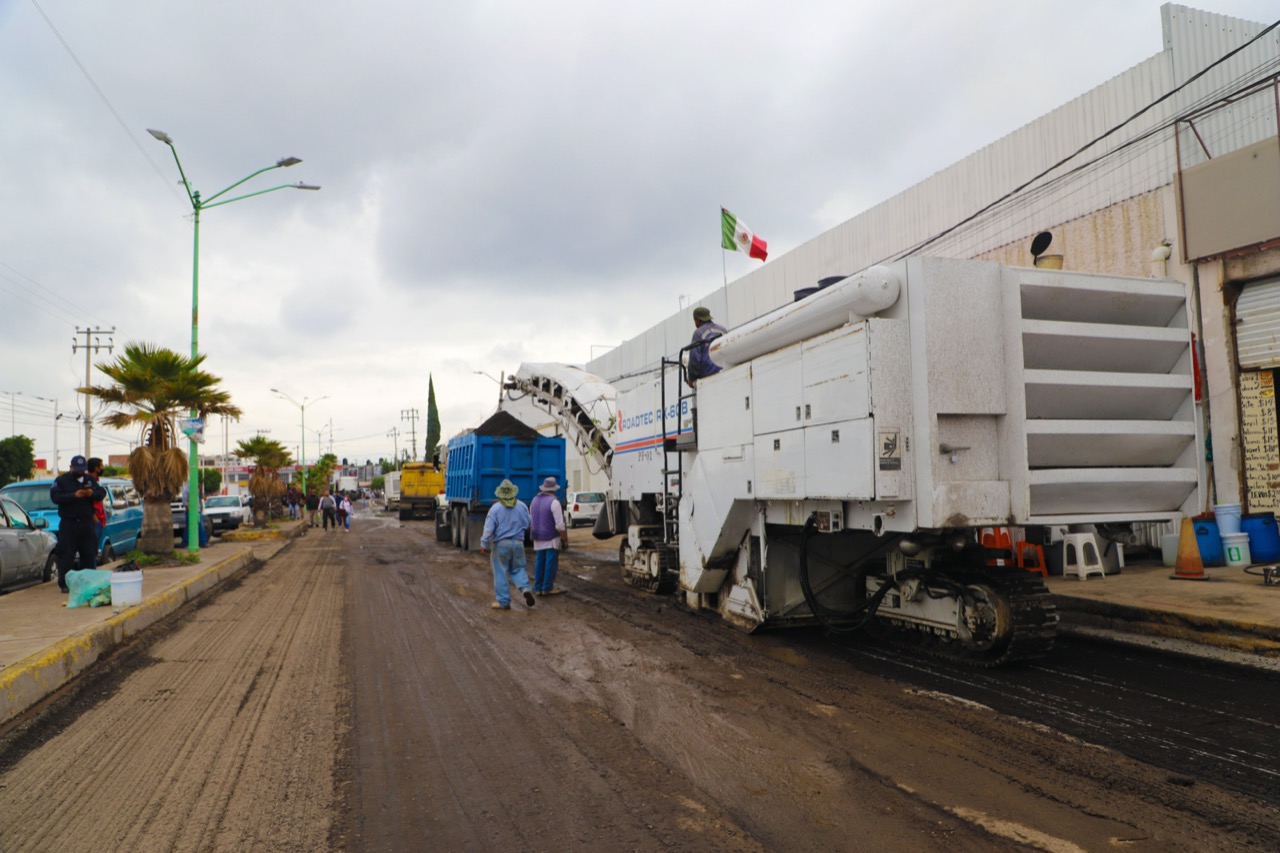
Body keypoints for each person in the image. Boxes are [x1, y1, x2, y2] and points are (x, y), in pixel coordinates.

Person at [49, 454, 106, 593]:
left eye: (82, 469)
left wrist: (91, 493)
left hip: (86, 523)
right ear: (71, 467)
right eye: (77, 469)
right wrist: (74, 495)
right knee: (67, 555)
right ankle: (65, 584)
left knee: (88, 554)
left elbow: (101, 493)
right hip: (69, 524)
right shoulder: (62, 480)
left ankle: (88, 583)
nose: (80, 472)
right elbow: (55, 497)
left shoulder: (90, 480)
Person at [479, 479, 536, 610]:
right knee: (519, 568)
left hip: (501, 545)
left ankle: (503, 601)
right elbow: (528, 524)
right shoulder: (522, 506)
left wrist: (484, 544)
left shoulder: (495, 509)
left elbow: (488, 529)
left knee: (500, 572)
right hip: (518, 543)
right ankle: (526, 588)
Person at [529, 476, 568, 596]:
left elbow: (531, 519)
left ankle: (537, 587)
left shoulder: (534, 500)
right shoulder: (554, 502)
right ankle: (547, 587)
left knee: (539, 562)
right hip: (551, 537)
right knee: (550, 563)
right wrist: (564, 538)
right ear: (554, 489)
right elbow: (560, 525)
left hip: (537, 537)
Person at [686, 306, 727, 385]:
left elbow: (694, 360)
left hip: (707, 376)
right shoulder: (723, 330)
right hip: (725, 370)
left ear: (698, 320)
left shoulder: (698, 333)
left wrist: (691, 378)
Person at [86, 457, 107, 553]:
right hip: (94, 520)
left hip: (99, 519)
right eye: (101, 466)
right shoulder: (88, 482)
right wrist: (95, 518)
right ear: (96, 468)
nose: (103, 468)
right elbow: (87, 502)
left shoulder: (96, 482)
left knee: (94, 549)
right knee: (91, 550)